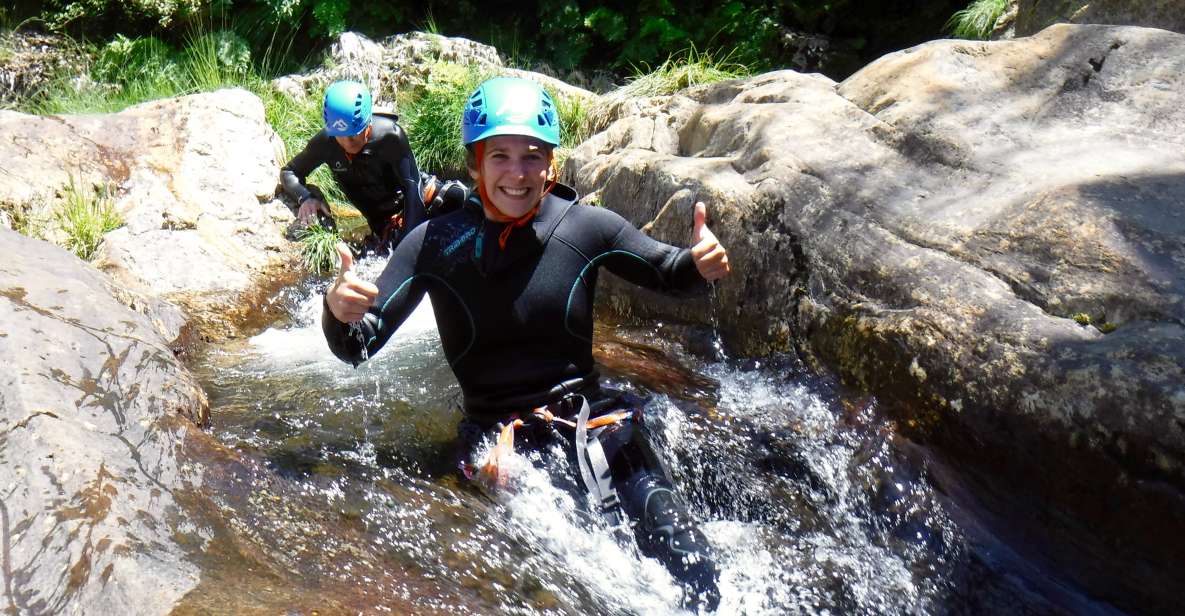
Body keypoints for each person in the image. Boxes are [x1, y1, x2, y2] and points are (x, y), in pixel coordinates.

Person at [321, 77, 731, 609]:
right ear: (475, 163)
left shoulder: (584, 228)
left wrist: (700, 264)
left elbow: (667, 271)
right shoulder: (434, 244)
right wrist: (337, 311)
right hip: (500, 437)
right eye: (501, 156)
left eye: (532, 156)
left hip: (595, 422)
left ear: (551, 164)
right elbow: (358, 344)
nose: (518, 173)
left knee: (686, 552)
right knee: (561, 582)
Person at [280, 80, 464, 252]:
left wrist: (407, 246)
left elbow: (412, 188)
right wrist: (305, 197)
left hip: (418, 201)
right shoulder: (327, 142)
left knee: (457, 197)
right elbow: (290, 172)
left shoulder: (390, 136)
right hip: (383, 225)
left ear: (368, 123)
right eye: (340, 136)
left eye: (354, 134)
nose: (347, 142)